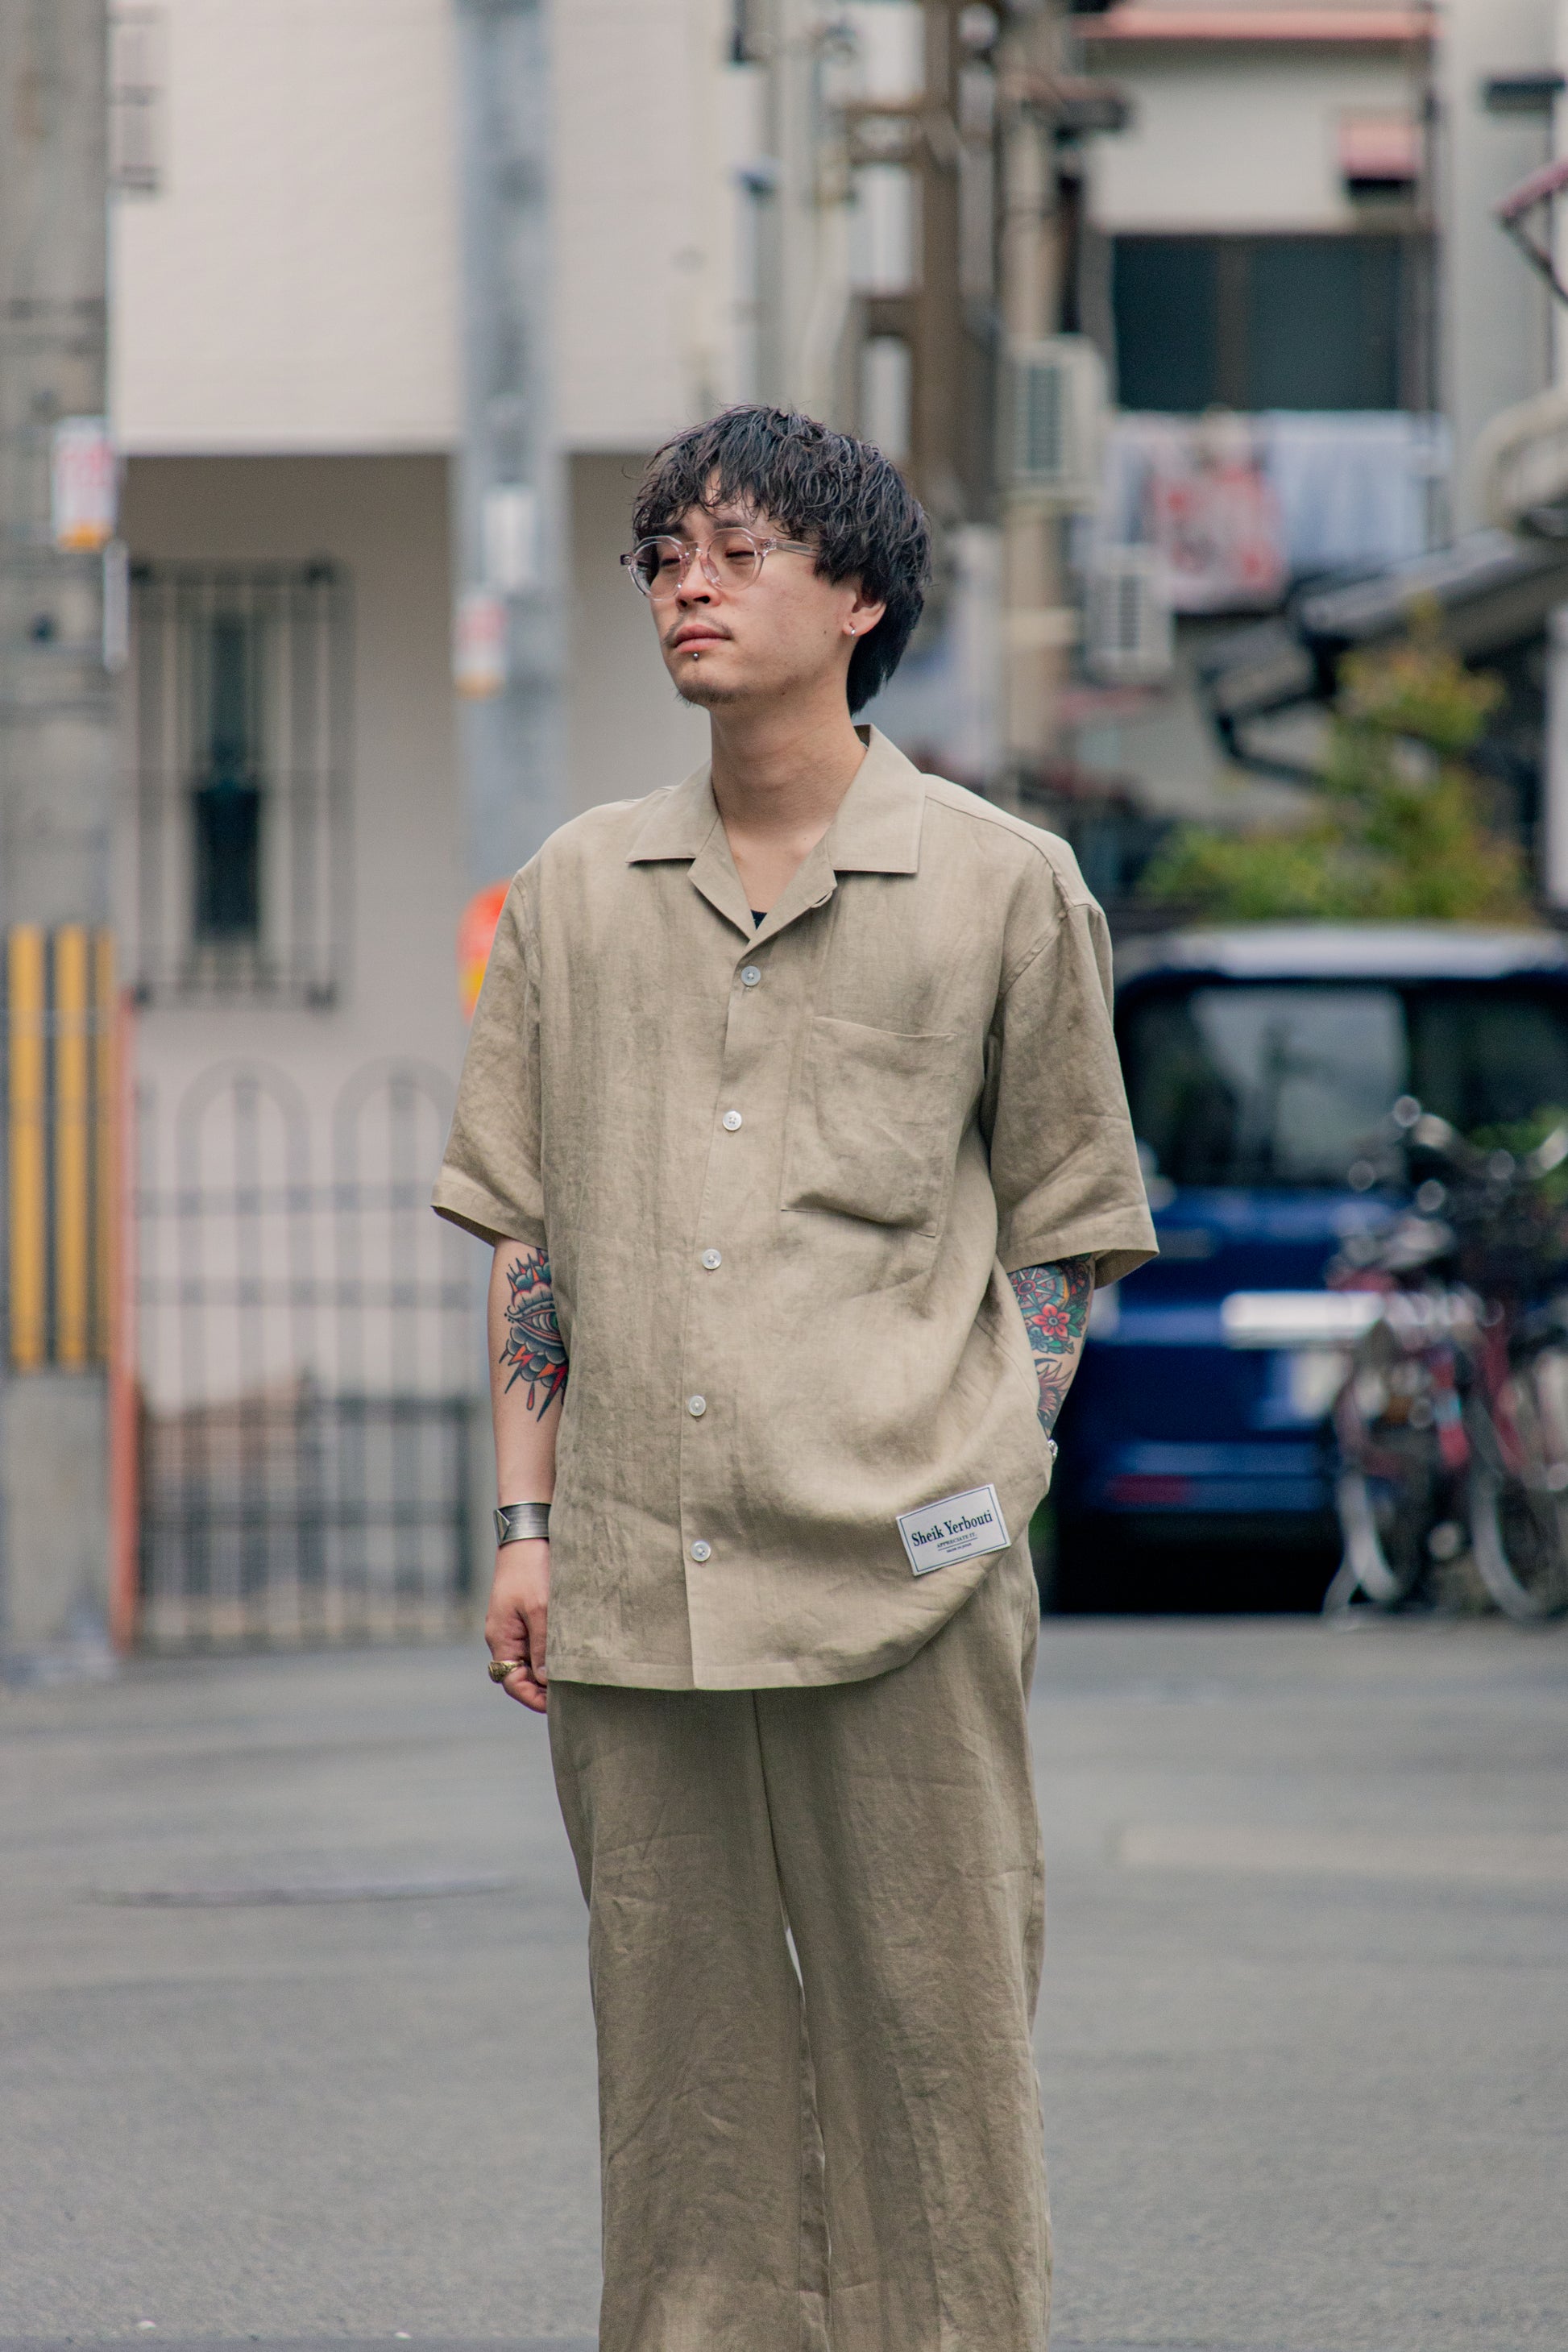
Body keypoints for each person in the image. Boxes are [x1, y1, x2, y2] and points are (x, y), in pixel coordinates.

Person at [433, 404, 1155, 2352]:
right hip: (633, 1582)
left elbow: (1068, 1228)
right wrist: (522, 1521)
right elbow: (528, 1230)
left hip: (906, 1571)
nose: (688, 583)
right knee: (681, 2075)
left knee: (938, 2045)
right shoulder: (574, 890)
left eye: (737, 551)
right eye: (665, 555)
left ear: (857, 598)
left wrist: (988, 1470)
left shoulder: (1004, 885)